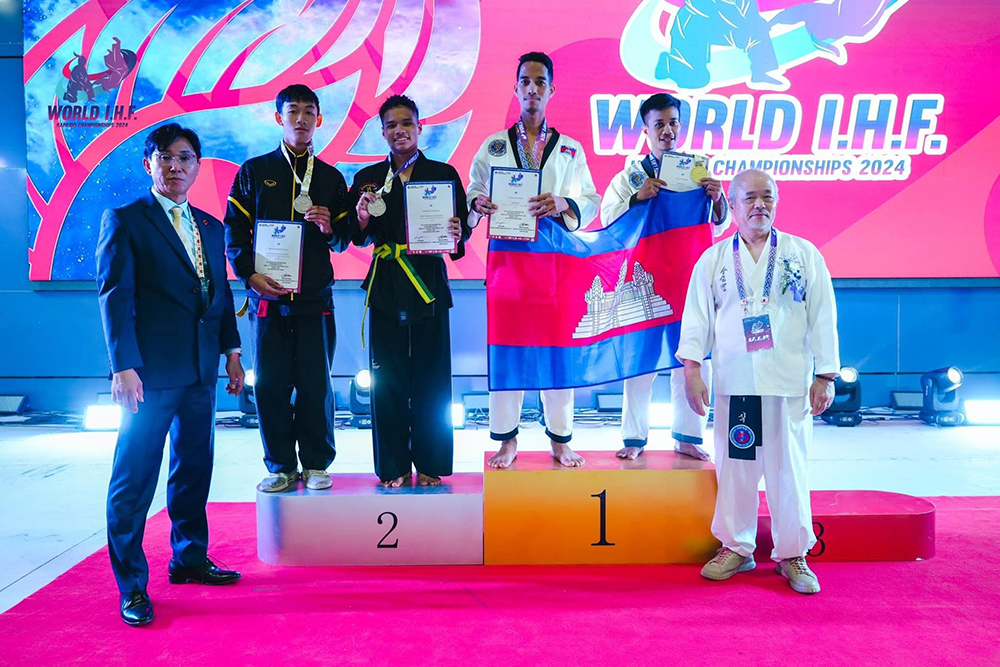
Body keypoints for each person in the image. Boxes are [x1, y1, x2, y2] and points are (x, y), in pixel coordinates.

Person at [96, 123, 244, 627]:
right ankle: (132, 587)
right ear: (149, 165)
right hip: (148, 374)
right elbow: (115, 297)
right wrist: (122, 366)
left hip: (200, 370)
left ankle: (189, 559)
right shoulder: (126, 219)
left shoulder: (210, 226)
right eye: (165, 158)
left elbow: (219, 294)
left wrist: (231, 353)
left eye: (185, 158)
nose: (175, 166)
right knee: (134, 479)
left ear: (197, 167)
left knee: (193, 470)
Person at [676, 169, 839, 595]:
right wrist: (692, 370)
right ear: (732, 205)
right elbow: (697, 319)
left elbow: (823, 315)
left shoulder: (803, 254)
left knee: (789, 469)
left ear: (777, 202)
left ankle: (793, 553)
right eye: (749, 197)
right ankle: (736, 546)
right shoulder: (714, 259)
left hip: (788, 382)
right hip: (737, 382)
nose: (759, 205)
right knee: (737, 469)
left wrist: (825, 374)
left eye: (767, 196)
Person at [468, 51, 601, 469]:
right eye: (525, 81)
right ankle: (507, 440)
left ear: (551, 90)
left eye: (540, 82)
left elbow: (591, 200)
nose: (532, 89)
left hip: (556, 264)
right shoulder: (493, 146)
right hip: (508, 264)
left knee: (558, 351)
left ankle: (560, 439)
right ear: (515, 88)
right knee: (508, 350)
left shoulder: (570, 150)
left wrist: (563, 202)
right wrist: (478, 202)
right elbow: (473, 190)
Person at [225, 84, 351, 493]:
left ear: (319, 119)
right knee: (271, 386)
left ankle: (315, 464)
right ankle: (280, 465)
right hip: (267, 301)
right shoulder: (254, 172)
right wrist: (249, 276)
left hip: (315, 300)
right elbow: (234, 231)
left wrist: (330, 228)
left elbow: (344, 240)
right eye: (293, 110)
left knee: (316, 385)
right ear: (279, 118)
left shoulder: (331, 178)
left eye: (309, 111)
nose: (301, 118)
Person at [349, 95, 471, 488]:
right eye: (391, 125)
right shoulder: (367, 178)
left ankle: (431, 463)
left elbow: (461, 233)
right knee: (387, 382)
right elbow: (356, 235)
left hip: (428, 285)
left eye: (406, 123)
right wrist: (362, 217)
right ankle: (394, 466)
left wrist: (458, 231)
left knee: (432, 379)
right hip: (386, 283)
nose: (399, 131)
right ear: (382, 131)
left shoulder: (443, 173)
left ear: (420, 128)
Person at [600, 92, 729, 462]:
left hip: (689, 281)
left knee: (692, 360)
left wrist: (717, 199)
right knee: (639, 363)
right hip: (644, 280)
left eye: (673, 123)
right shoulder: (631, 176)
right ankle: (634, 437)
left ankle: (688, 437)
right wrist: (637, 199)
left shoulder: (698, 171)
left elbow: (718, 224)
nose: (667, 130)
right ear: (646, 130)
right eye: (659, 124)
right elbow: (608, 219)